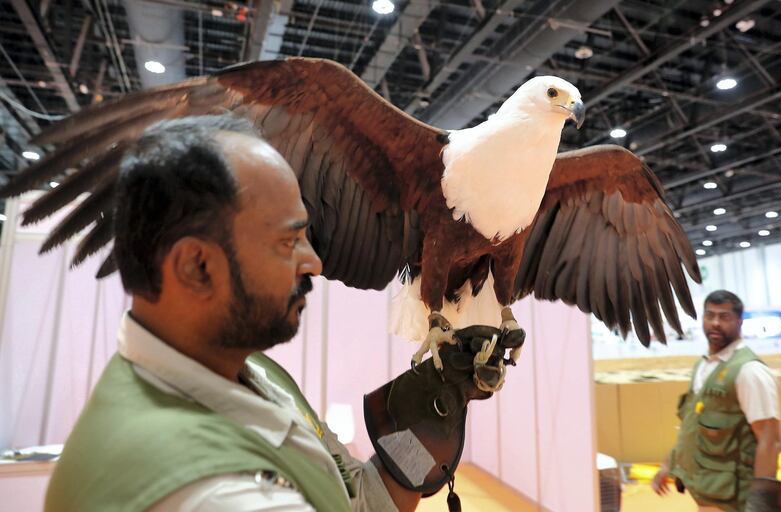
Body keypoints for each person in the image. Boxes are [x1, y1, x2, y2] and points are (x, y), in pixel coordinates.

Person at [44, 115, 510, 511]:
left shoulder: (252, 373)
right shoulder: (197, 487)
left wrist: (441, 392)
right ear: (197, 265)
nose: (314, 261)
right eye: (289, 241)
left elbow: (362, 498)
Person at [651, 290, 781, 512]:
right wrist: (668, 465)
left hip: (733, 497)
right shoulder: (703, 366)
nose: (715, 323)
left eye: (724, 317)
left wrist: (761, 503)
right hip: (706, 488)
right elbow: (690, 424)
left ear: (739, 321)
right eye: (709, 315)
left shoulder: (750, 371)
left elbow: (769, 440)